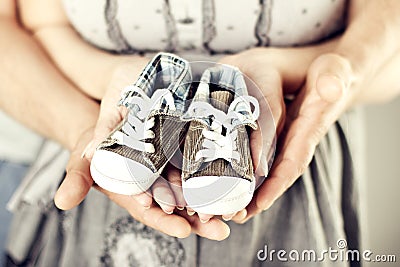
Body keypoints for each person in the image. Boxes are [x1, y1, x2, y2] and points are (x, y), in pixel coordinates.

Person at [1, 0, 399, 266]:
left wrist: (331, 72)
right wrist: (89, 116)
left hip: (294, 150)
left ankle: (223, 112)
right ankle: (152, 108)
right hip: (92, 112)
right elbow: (33, 23)